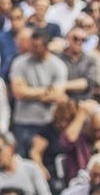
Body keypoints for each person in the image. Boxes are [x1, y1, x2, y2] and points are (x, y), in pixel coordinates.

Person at [9, 27, 68, 157]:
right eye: (31, 45)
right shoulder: (19, 63)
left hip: (47, 122)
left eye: (36, 46)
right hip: (23, 122)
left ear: (46, 46)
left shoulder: (58, 65)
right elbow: (18, 93)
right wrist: (47, 90)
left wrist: (28, 91)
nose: (31, 49)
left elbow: (58, 95)